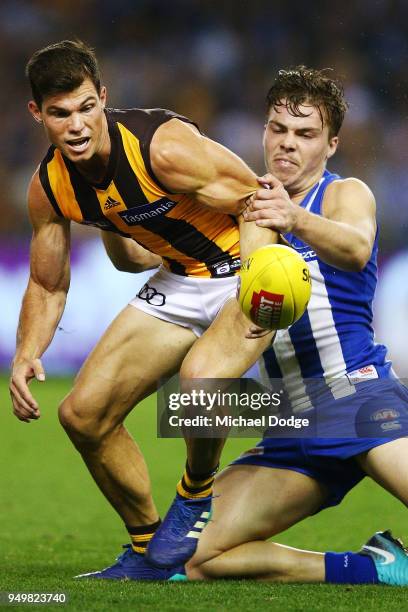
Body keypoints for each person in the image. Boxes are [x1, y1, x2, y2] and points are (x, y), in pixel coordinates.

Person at [9, 40, 276, 580]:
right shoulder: (49, 188)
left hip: (247, 266)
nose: (77, 125)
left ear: (104, 97)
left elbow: (257, 198)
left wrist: (257, 282)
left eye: (87, 106)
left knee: (198, 385)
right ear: (38, 114)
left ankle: (196, 493)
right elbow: (46, 281)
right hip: (179, 279)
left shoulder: (164, 148)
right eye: (60, 113)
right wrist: (26, 353)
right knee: (82, 416)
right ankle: (147, 551)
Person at [186, 66, 408, 586]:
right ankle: (375, 568)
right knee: (193, 558)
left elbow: (355, 246)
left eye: (305, 134)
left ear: (330, 144)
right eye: (278, 129)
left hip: (359, 402)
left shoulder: (343, 194)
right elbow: (135, 255)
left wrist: (296, 219)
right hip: (290, 422)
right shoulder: (238, 208)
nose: (288, 144)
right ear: (264, 132)